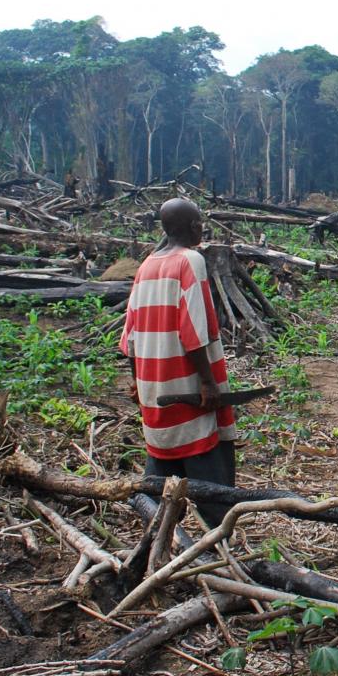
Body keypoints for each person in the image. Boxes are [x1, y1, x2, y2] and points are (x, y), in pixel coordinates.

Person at [120, 198, 235, 526]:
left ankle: (158, 538)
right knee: (208, 470)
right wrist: (207, 382)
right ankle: (217, 540)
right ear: (192, 227)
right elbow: (194, 331)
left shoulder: (146, 266)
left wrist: (137, 383)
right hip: (186, 386)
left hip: (155, 388)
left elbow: (130, 337)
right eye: (199, 222)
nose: (201, 227)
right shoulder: (190, 261)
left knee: (161, 468)